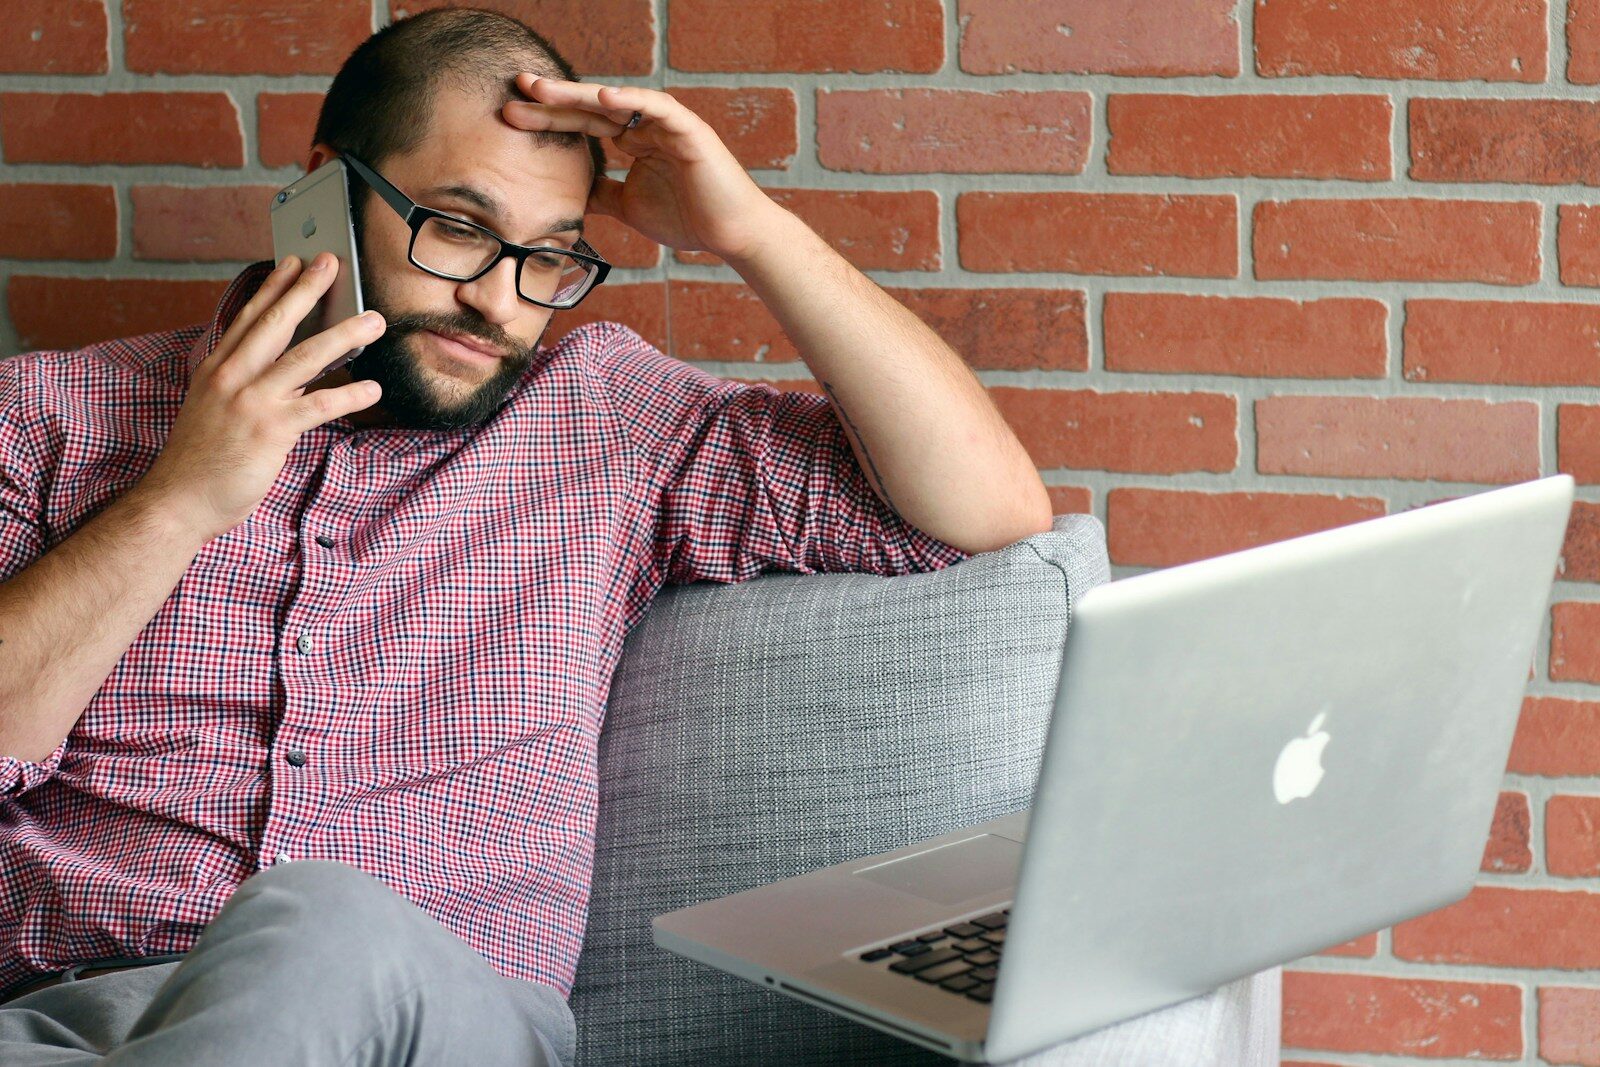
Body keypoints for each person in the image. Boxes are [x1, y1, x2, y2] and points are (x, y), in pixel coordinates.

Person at [0, 7, 1052, 1065]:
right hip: (57, 1020)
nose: (498, 302)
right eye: (457, 228)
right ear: (326, 189)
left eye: (548, 258)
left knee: (319, 922)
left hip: (431, 1021)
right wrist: (179, 499)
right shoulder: (48, 416)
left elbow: (982, 509)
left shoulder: (607, 423)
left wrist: (751, 231)